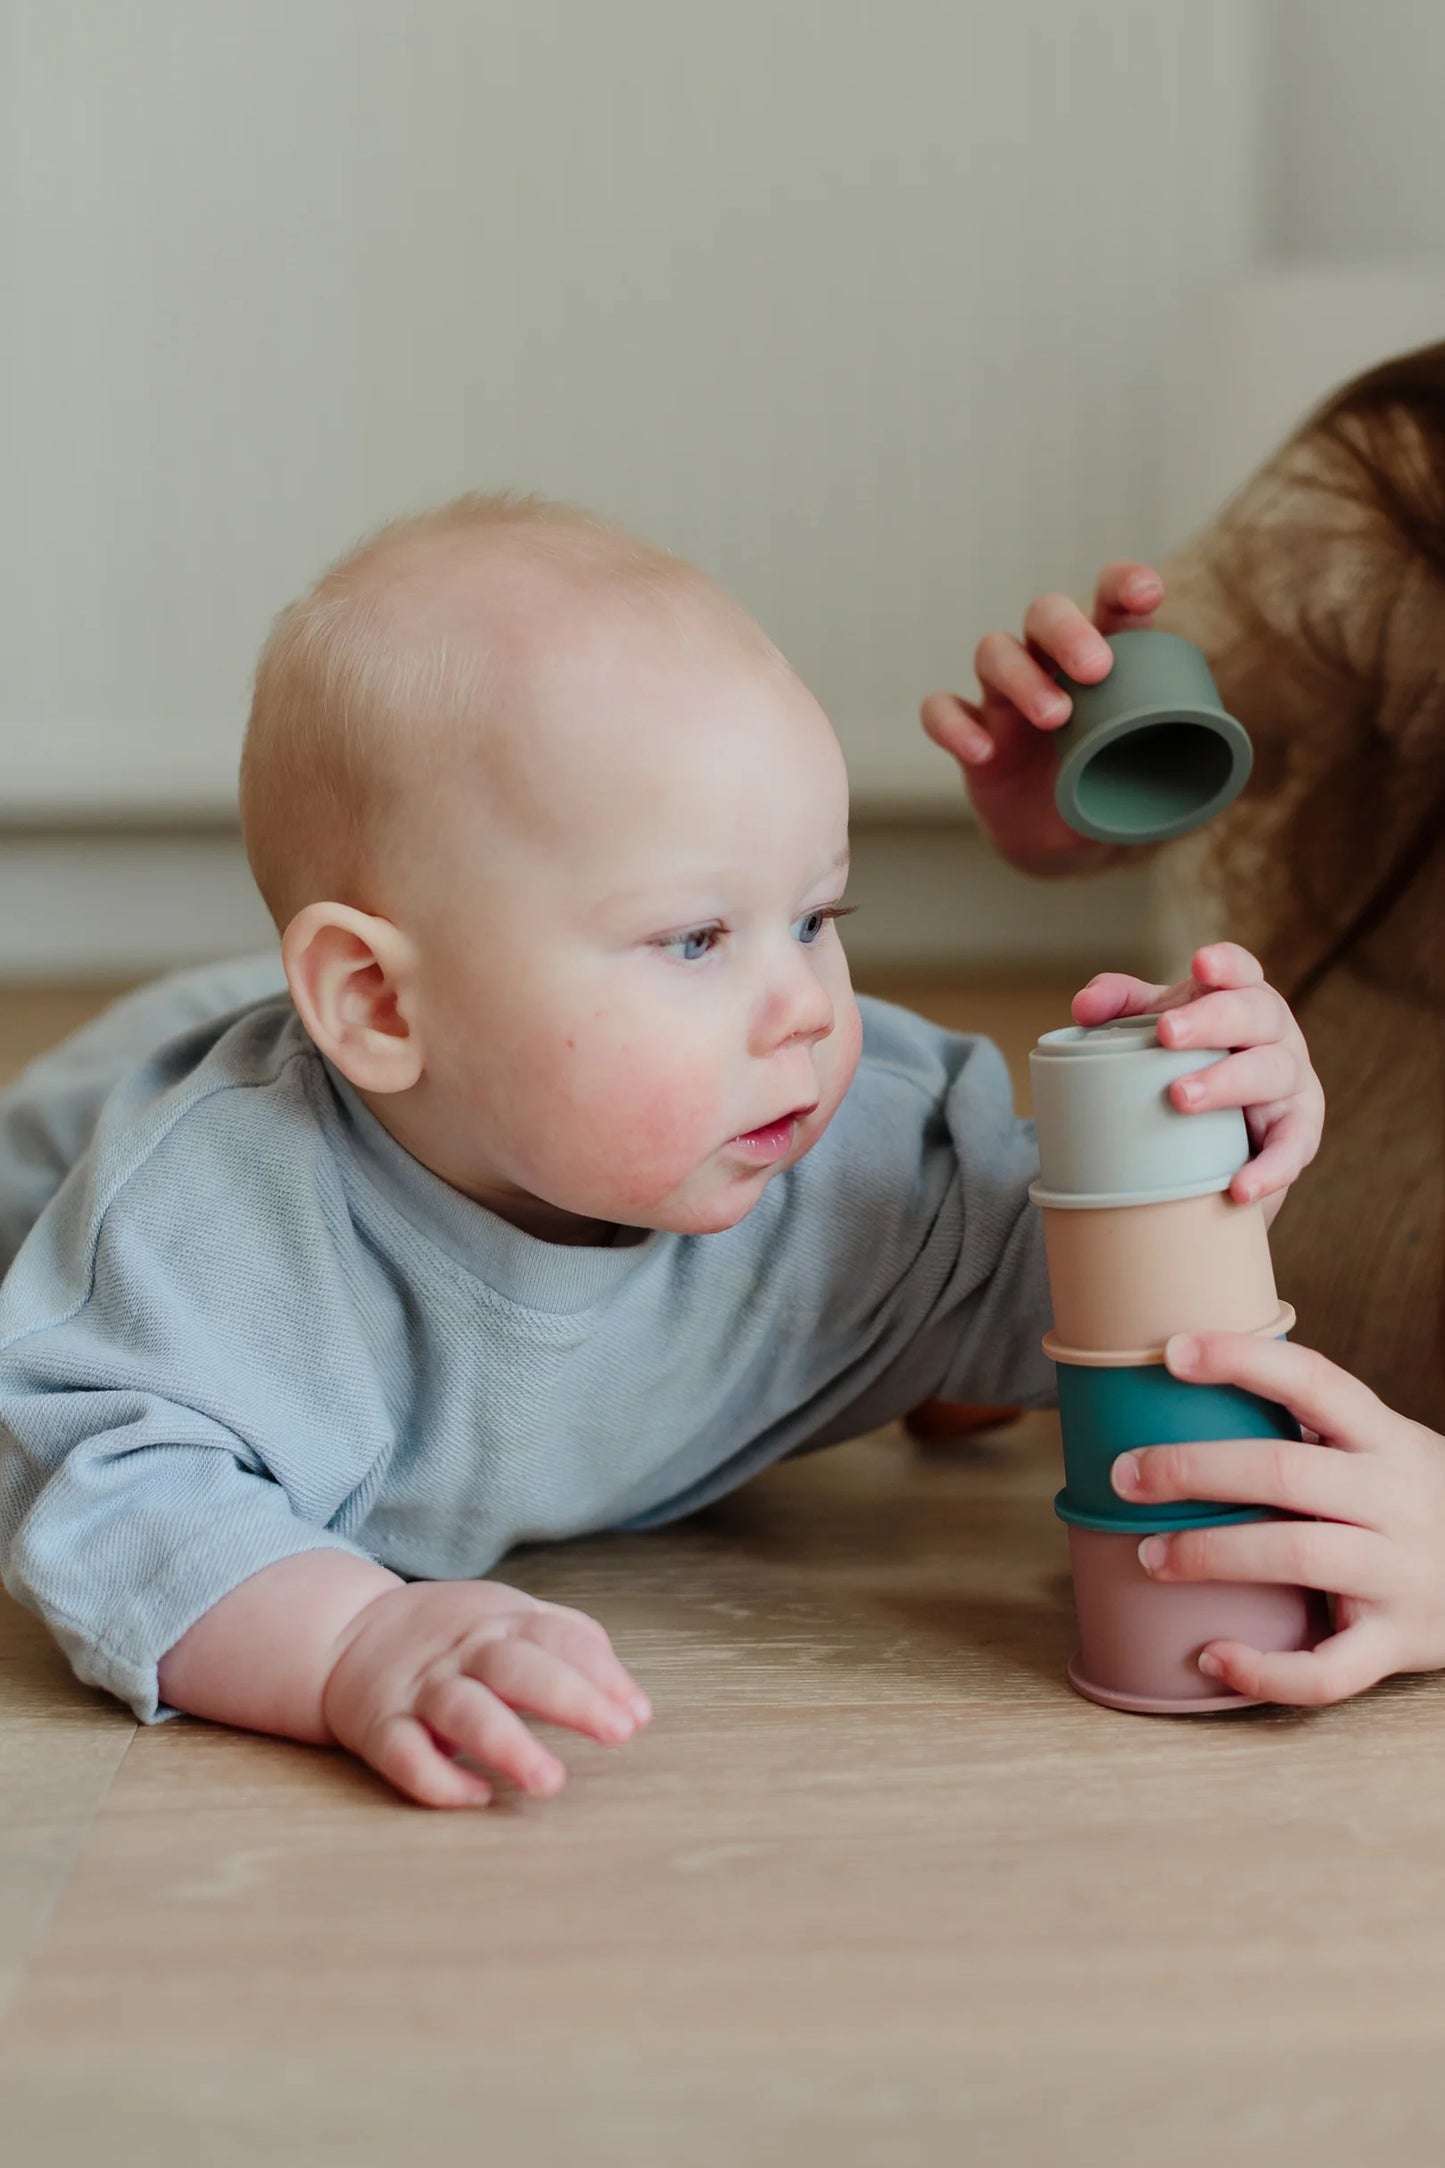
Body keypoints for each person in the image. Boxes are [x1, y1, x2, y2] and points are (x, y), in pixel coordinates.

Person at [0, 494, 1321, 1805]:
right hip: (84, 1142)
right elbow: (102, 1492)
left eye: (815, 916)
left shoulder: (876, 1162)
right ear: (382, 1003)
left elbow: (1114, 1306)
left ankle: (918, 1355)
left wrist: (1196, 1118)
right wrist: (350, 1639)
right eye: (695, 940)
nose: (805, 1008)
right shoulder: (212, 1222)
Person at [917, 343, 1445, 1708]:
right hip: (1241, 1303)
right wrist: (1060, 802)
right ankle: (985, 1321)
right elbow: (1179, 702)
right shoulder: (1400, 474)